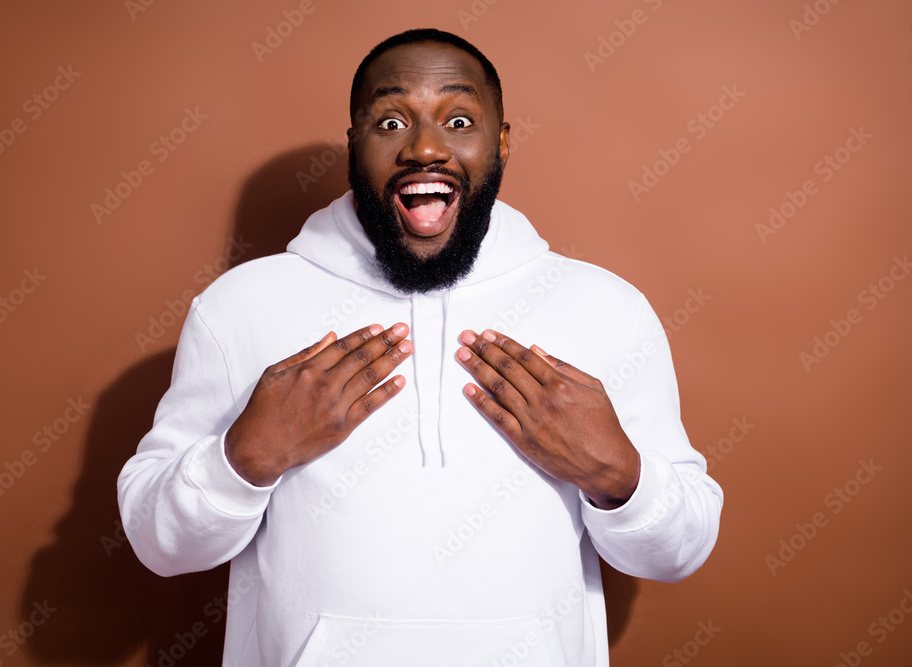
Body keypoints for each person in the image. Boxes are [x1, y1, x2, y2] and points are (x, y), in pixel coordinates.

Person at [118, 28, 723, 667]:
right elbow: (162, 546)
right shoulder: (239, 306)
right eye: (390, 121)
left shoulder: (606, 308)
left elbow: (679, 552)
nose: (426, 147)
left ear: (503, 142)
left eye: (458, 120)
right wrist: (244, 457)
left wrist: (616, 473)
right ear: (354, 142)